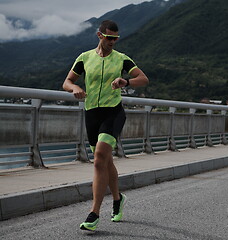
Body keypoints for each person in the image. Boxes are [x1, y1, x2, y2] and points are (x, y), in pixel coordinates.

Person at [63, 20, 149, 231]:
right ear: (99, 35)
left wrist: (126, 82)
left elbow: (143, 78)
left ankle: (94, 214)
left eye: (116, 39)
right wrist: (74, 87)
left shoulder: (121, 59)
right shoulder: (84, 58)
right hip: (92, 113)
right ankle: (118, 199)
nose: (112, 42)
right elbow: (66, 81)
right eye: (109, 38)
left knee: (100, 158)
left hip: (113, 112)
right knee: (105, 161)